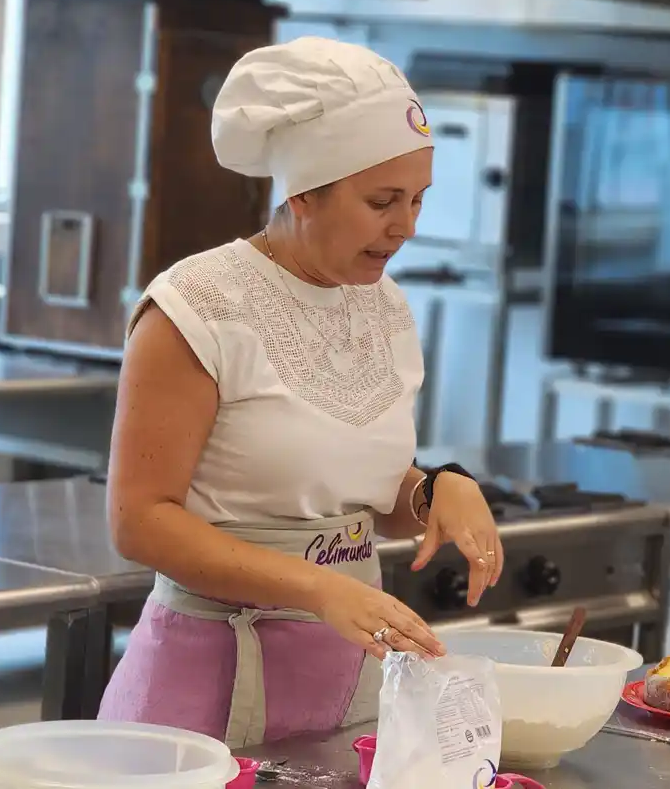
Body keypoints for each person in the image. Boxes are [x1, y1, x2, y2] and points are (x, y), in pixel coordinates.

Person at [98, 37, 504, 748]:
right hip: (202, 683)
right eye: (382, 200)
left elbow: (344, 480)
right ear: (303, 193)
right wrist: (316, 587)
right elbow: (140, 520)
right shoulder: (197, 306)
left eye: (416, 199)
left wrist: (433, 492)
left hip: (345, 684)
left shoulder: (384, 308)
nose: (406, 227)